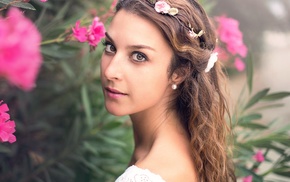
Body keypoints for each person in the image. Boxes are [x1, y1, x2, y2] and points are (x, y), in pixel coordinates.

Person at [100, 0, 236, 181]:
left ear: (179, 73)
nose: (110, 71)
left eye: (139, 56)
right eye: (110, 47)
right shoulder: (191, 148)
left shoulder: (148, 174)